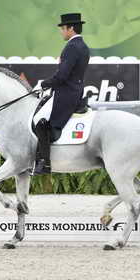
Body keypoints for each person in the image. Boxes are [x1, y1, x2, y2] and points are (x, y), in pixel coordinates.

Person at [32, 13, 91, 175]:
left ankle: (44, 163)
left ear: (71, 28)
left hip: (66, 94)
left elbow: (62, 76)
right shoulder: (83, 46)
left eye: (63, 29)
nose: (61, 32)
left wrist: (43, 84)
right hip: (75, 91)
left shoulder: (72, 47)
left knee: (40, 122)